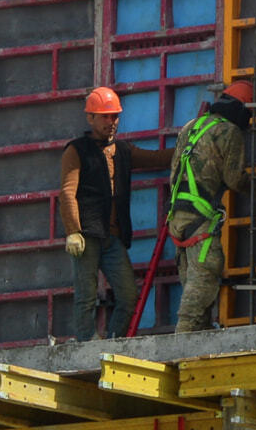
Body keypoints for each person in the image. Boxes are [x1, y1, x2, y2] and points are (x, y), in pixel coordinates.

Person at [60, 86, 172, 341]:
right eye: (105, 117)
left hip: (112, 238)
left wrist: (189, 147)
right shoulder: (76, 150)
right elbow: (67, 192)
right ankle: (86, 347)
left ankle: (114, 342)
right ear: (90, 118)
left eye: (115, 116)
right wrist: (73, 232)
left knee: (128, 295)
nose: (111, 122)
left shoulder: (122, 151)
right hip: (87, 236)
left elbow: (157, 158)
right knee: (86, 297)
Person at [166, 80, 255, 332]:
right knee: (206, 273)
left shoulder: (191, 127)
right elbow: (234, 179)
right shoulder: (229, 132)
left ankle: (197, 337)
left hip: (177, 216)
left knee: (192, 279)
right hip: (200, 217)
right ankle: (183, 341)